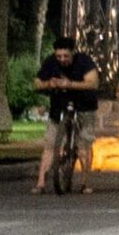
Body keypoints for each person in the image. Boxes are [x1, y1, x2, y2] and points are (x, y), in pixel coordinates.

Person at [33, 34, 100, 195]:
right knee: (50, 144)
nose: (62, 59)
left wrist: (70, 84)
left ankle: (85, 183)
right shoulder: (50, 62)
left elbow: (93, 83)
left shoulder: (84, 61)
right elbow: (36, 83)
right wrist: (48, 83)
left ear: (73, 53)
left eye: (66, 56)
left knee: (84, 145)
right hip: (59, 106)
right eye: (59, 56)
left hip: (84, 106)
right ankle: (40, 183)